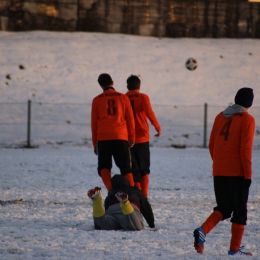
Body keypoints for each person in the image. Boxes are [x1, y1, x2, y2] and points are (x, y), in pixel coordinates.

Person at [193, 88, 255, 256]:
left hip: (219, 170)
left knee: (224, 208)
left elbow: (212, 145)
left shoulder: (220, 116)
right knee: (240, 212)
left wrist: (220, 164)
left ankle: (202, 230)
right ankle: (234, 250)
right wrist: (248, 174)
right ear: (249, 103)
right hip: (237, 172)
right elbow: (245, 150)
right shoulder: (247, 120)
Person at [91, 73, 136, 191]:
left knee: (104, 167)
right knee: (126, 168)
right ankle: (131, 193)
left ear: (100, 85)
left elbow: (94, 123)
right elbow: (130, 119)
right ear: (113, 82)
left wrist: (95, 144)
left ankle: (111, 191)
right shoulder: (123, 97)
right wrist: (131, 136)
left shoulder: (96, 100)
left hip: (103, 137)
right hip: (120, 136)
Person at [125, 75, 162, 198]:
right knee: (144, 167)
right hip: (142, 136)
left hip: (127, 137)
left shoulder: (123, 98)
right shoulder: (143, 97)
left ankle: (136, 194)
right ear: (139, 86)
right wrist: (157, 126)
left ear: (127, 86)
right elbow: (149, 112)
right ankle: (144, 195)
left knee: (133, 167)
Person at [87, 174, 155, 230]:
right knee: (136, 227)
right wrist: (151, 224)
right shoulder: (135, 190)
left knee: (103, 226)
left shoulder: (111, 193)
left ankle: (97, 200)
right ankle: (125, 203)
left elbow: (106, 210)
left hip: (112, 212)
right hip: (131, 209)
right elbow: (146, 208)